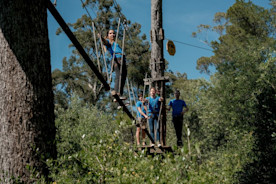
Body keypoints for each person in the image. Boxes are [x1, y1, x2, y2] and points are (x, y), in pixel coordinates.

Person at [99, 29, 127, 99]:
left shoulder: (114, 43)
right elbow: (105, 42)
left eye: (113, 33)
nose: (113, 34)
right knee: (119, 76)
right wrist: (101, 38)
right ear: (108, 35)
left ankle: (119, 94)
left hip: (122, 59)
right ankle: (117, 92)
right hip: (116, 59)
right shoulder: (109, 42)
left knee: (123, 78)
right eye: (110, 33)